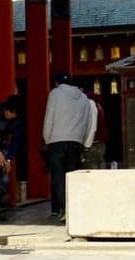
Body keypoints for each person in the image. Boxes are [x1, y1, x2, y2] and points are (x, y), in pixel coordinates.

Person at [42, 72, 99, 220]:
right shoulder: (85, 98)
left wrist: (47, 138)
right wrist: (85, 142)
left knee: (58, 177)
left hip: (57, 140)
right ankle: (73, 208)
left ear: (57, 83)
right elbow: (88, 123)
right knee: (72, 177)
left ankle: (63, 209)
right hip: (76, 142)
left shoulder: (55, 94)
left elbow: (49, 117)